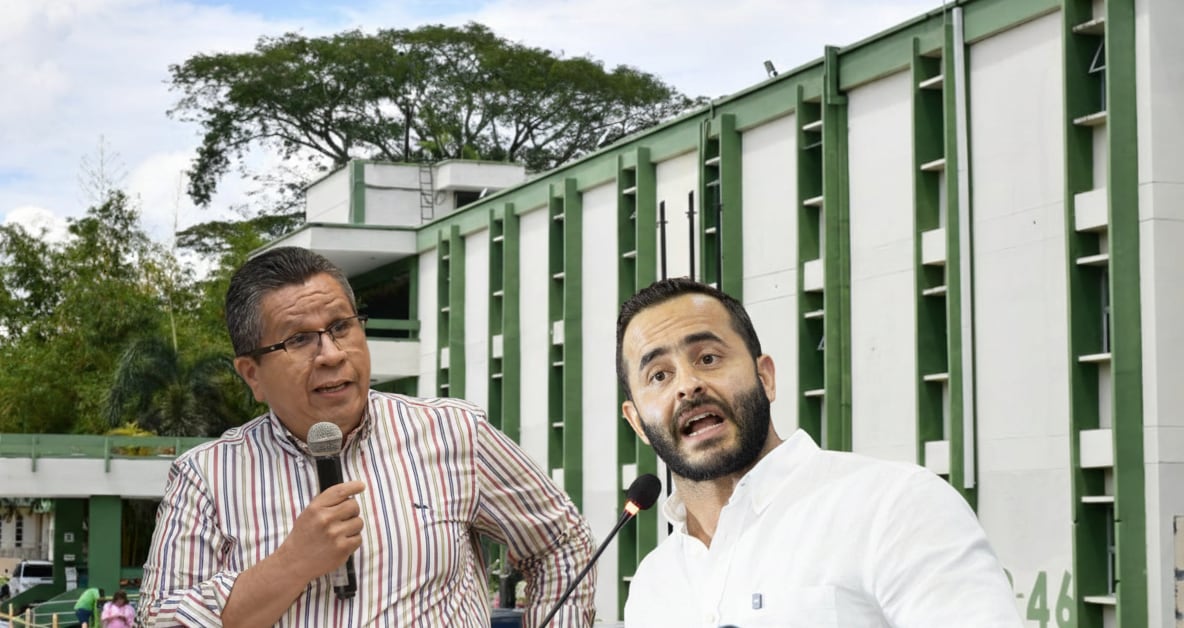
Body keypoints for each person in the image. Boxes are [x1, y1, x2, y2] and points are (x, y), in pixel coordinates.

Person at [138, 246, 596, 627]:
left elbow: (560, 544)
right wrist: (292, 563)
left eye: (341, 327)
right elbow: (158, 620)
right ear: (252, 374)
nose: (332, 355)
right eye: (299, 340)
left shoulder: (454, 433)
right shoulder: (207, 475)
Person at [616, 277, 1022, 627]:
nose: (687, 385)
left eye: (708, 358)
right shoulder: (654, 585)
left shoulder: (894, 506)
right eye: (659, 375)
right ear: (638, 424)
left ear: (765, 378)